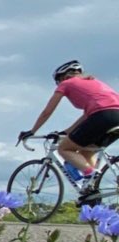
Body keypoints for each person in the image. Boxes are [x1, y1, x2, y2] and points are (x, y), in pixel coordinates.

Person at [19, 60, 119, 201]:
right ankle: (91, 188)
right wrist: (66, 132)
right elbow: (86, 116)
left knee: (64, 149)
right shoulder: (94, 83)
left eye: (58, 81)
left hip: (102, 116)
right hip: (113, 116)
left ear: (63, 77)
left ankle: (91, 174)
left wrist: (32, 130)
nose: (58, 84)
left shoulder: (67, 83)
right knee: (86, 150)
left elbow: (47, 111)